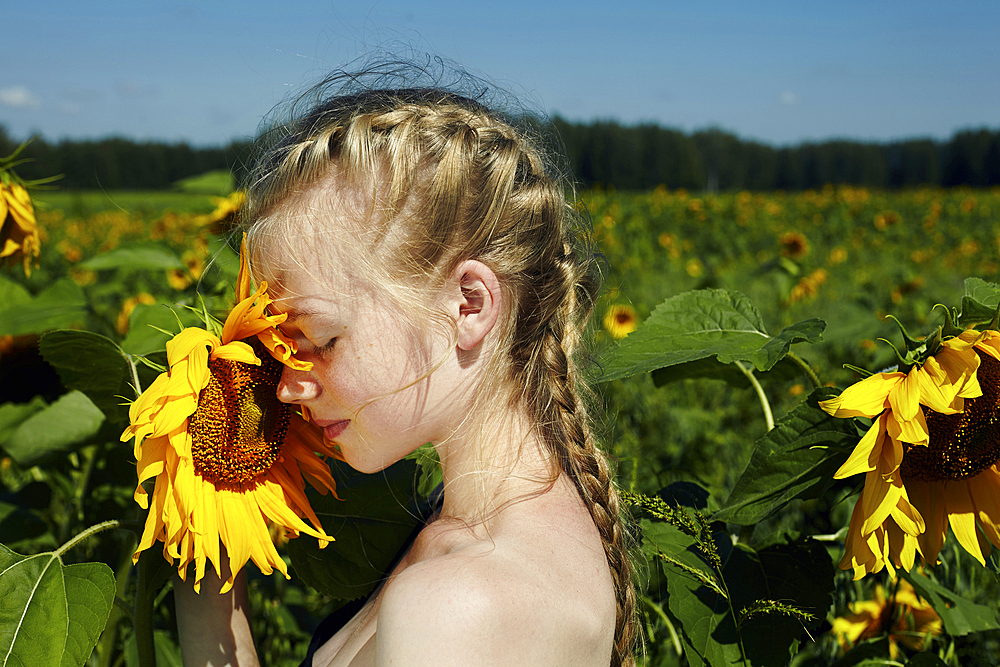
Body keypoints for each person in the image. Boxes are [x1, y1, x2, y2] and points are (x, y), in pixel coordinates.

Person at [173, 61, 637, 667]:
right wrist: (202, 524)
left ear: (468, 306)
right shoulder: (467, 522)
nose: (286, 386)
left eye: (319, 339)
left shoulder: (456, 607)